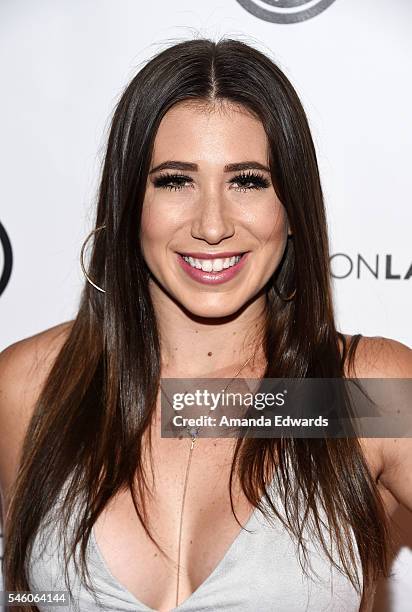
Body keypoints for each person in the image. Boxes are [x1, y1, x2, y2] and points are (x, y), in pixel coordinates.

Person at [0, 37, 411, 612]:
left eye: (247, 180)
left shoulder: (367, 393)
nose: (212, 225)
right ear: (128, 203)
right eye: (175, 180)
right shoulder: (29, 385)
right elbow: (25, 593)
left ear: (291, 208)